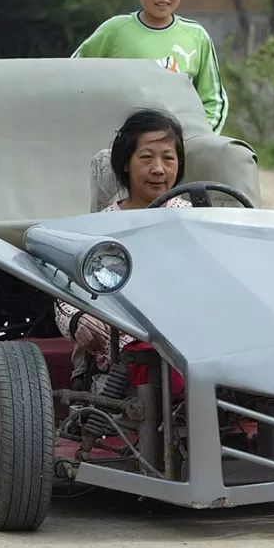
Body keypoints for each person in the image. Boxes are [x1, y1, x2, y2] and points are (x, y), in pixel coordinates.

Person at [54, 109, 191, 373]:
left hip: (196, 337)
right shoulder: (102, 228)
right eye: (147, 158)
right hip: (130, 349)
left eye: (168, 158)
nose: (159, 169)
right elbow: (67, 293)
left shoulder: (196, 220)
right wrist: (80, 321)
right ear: (126, 162)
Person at [73, 0, 228, 134]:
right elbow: (74, 72)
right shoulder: (115, 30)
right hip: (123, 143)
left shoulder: (197, 36)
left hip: (179, 145)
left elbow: (213, 99)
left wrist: (198, 137)